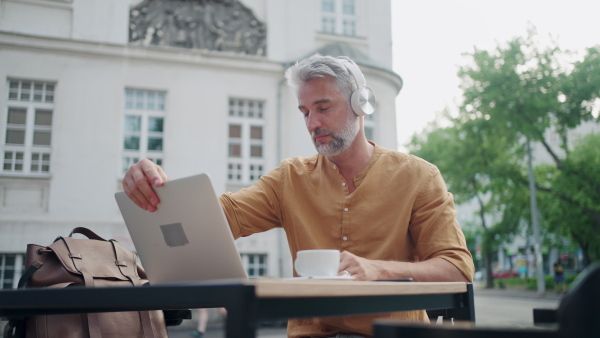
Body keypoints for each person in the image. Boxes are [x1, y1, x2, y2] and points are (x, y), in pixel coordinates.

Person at [122, 54, 474, 338]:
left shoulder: (419, 176)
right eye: (305, 112)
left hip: (394, 335)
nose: (312, 124)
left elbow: (458, 270)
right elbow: (218, 218)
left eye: (323, 107)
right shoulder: (289, 178)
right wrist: (159, 187)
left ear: (361, 105)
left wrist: (377, 270)